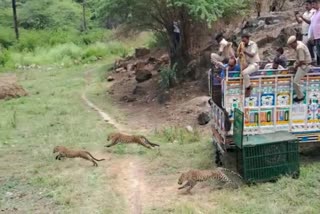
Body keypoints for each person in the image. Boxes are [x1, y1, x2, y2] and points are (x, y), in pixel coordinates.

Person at [287, 36, 312, 103]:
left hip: (305, 66)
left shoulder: (299, 47)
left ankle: (300, 96)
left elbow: (301, 61)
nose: (291, 47)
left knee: (295, 82)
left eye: (291, 45)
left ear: (294, 42)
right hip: (304, 64)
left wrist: (295, 68)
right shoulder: (299, 43)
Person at [309, 0, 320, 65]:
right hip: (316, 36)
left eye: (314, 4)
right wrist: (312, 35)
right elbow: (312, 25)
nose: (312, 6)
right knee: (318, 52)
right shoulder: (314, 13)